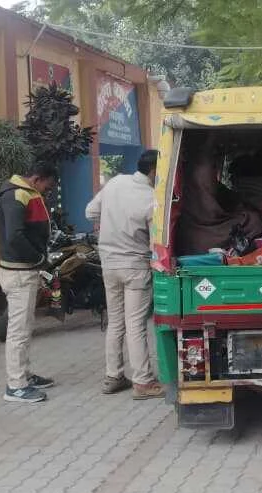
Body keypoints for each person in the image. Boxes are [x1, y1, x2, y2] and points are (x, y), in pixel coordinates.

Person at [85, 151, 163, 400]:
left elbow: (90, 213)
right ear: (154, 171)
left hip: (109, 264)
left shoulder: (116, 182)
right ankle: (143, 381)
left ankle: (114, 376)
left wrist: (111, 224)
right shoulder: (152, 198)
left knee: (116, 322)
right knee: (135, 324)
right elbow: (156, 240)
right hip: (135, 266)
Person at [0, 162, 59, 403]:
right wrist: (38, 257)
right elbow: (14, 236)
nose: (47, 192)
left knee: (24, 327)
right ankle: (16, 386)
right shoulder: (16, 195)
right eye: (47, 187)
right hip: (19, 273)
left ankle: (24, 375)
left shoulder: (25, 193)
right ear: (37, 179)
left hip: (25, 271)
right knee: (18, 331)